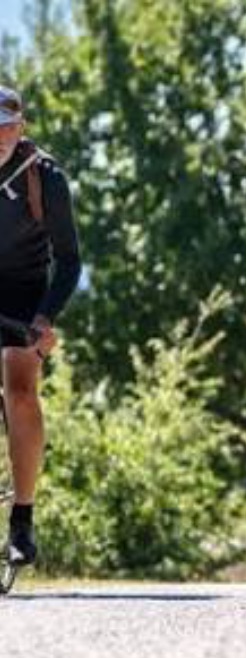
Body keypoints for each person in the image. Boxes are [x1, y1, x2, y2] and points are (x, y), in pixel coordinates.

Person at [0, 85, 82, 566]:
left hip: (26, 290)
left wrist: (45, 319)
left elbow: (70, 262)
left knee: (21, 381)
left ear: (22, 127)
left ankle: (22, 520)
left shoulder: (45, 177)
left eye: (7, 125)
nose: (0, 136)